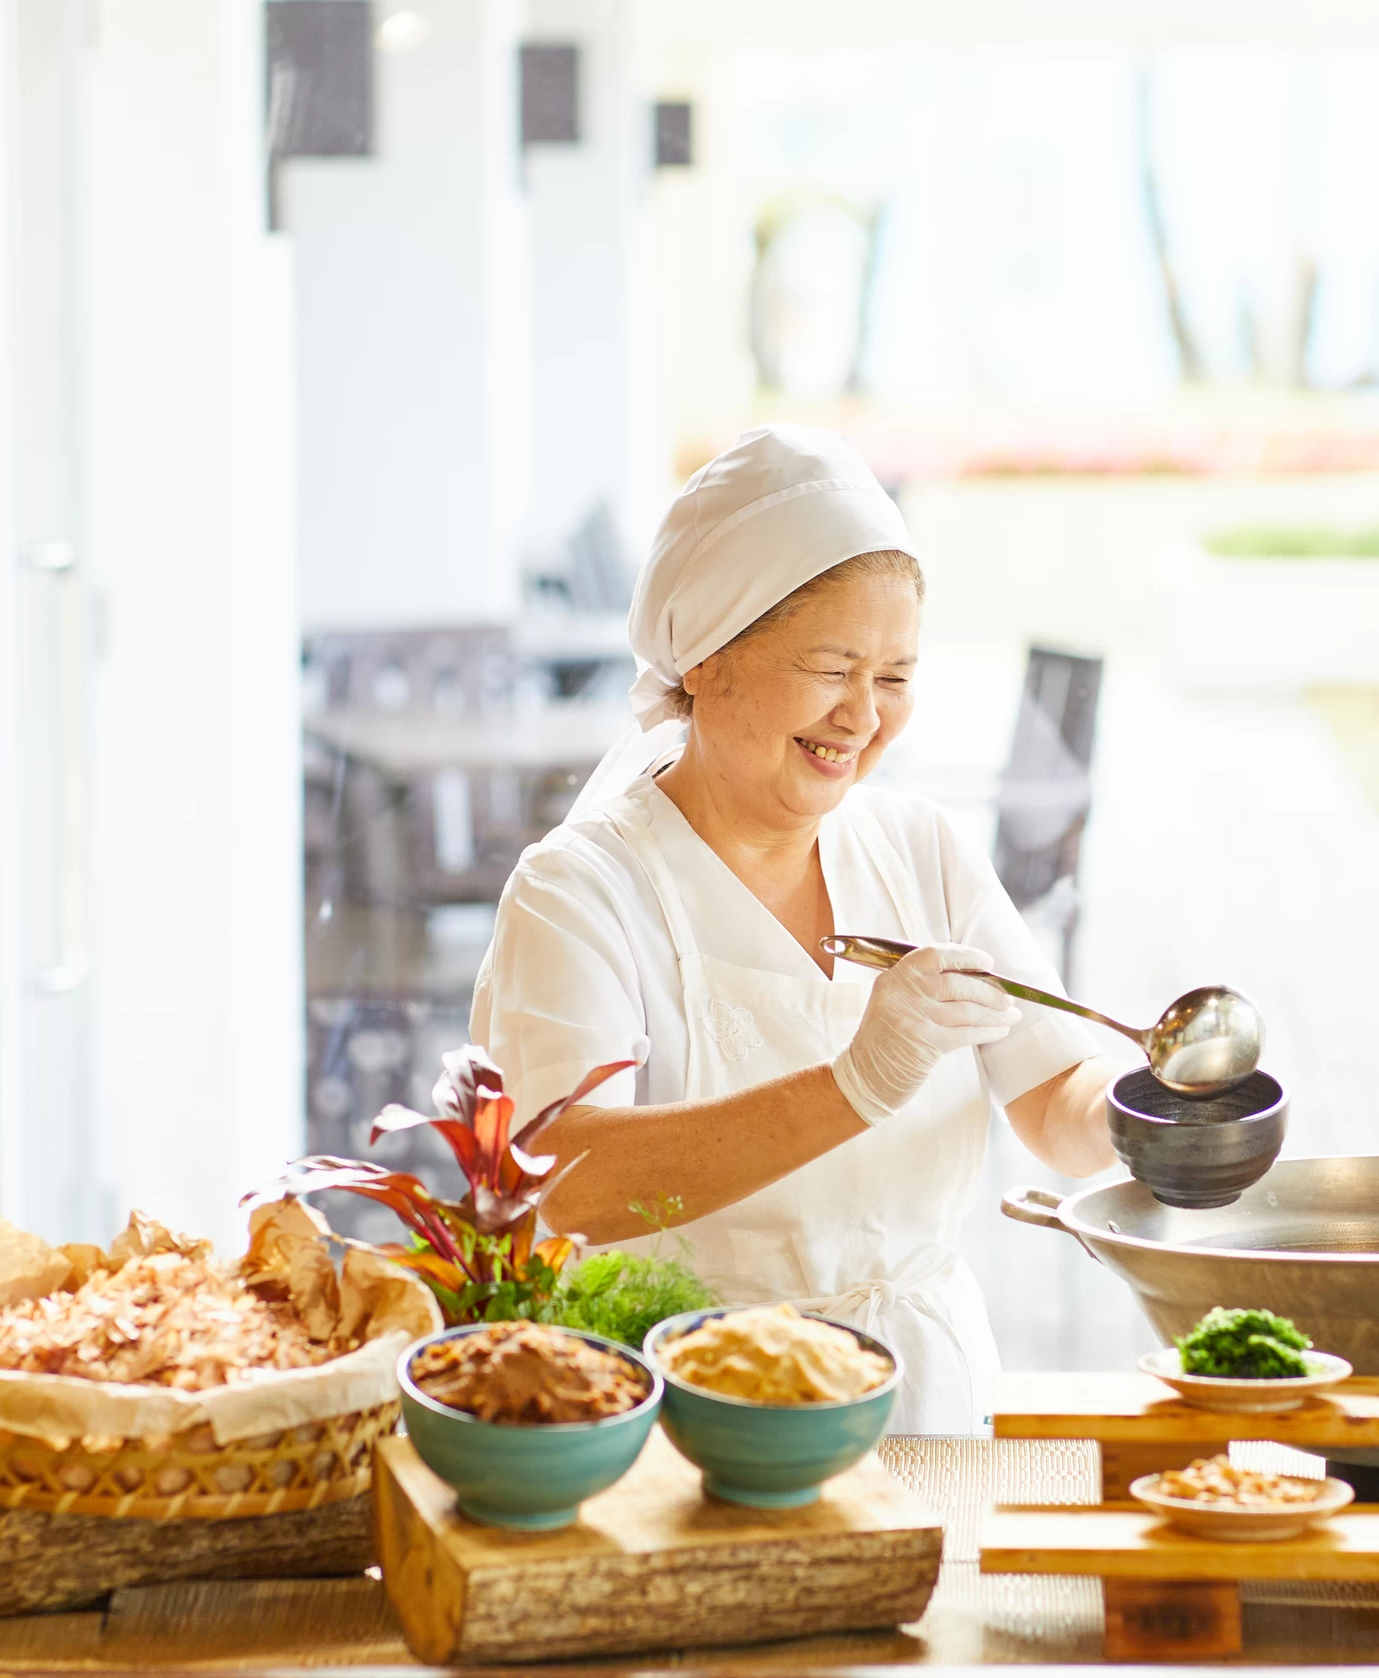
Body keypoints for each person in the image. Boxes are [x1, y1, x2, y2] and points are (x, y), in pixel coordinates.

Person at [471, 425, 1127, 1435]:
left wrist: (1154, 1113)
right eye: (833, 667)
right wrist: (854, 1082)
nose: (864, 714)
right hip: (696, 1417)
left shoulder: (920, 848)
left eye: (897, 676)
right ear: (710, 658)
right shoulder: (582, 890)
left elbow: (1055, 1100)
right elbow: (568, 1181)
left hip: (929, 1413)